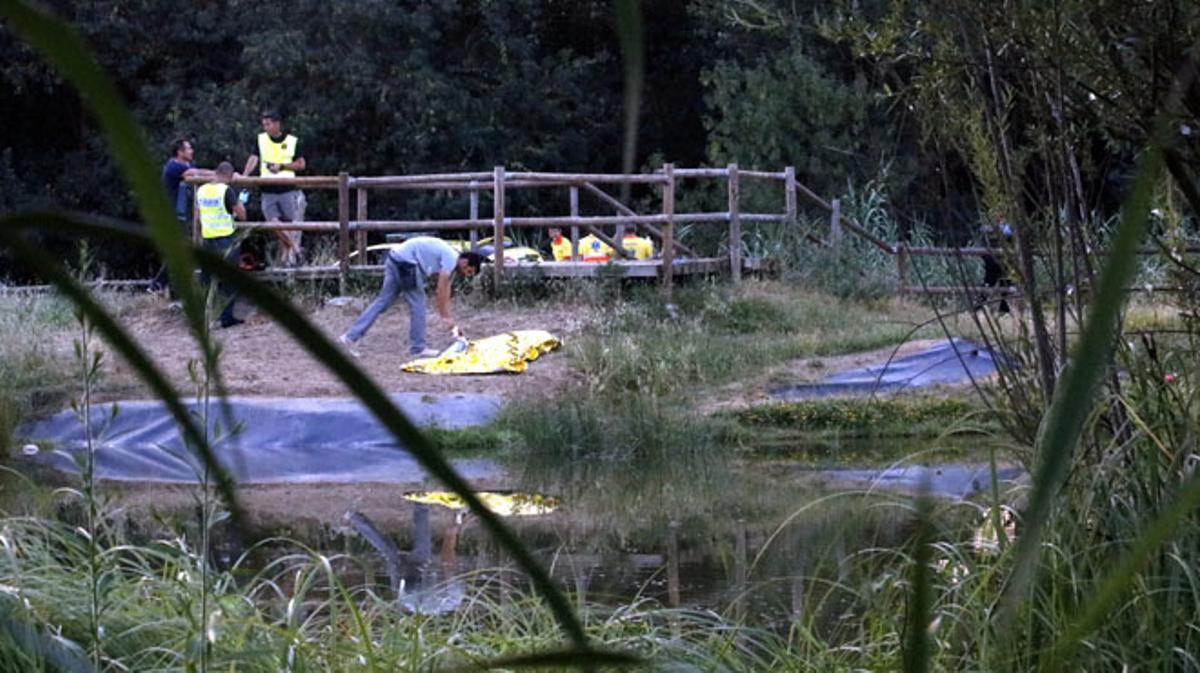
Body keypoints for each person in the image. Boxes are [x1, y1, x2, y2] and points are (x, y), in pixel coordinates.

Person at [339, 236, 486, 357]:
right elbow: (440, 290)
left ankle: (348, 338)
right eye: (468, 271)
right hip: (406, 263)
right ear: (465, 261)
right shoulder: (451, 257)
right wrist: (444, 317)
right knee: (418, 305)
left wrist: (450, 319)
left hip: (394, 257)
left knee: (382, 301)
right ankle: (418, 348)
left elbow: (446, 291)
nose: (466, 274)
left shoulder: (451, 262)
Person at [148, 138, 214, 293]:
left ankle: (161, 286)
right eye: (189, 148)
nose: (192, 151)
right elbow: (195, 173)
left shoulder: (183, 165)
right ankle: (160, 286)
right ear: (180, 152)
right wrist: (219, 174)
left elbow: (196, 172)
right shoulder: (174, 166)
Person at [243, 109, 305, 267]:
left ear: (277, 124)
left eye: (268, 124)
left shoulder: (292, 141)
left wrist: (282, 166)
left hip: (287, 188)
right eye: (264, 124)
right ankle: (297, 249)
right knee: (273, 223)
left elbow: (301, 164)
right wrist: (245, 175)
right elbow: (253, 158)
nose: (266, 127)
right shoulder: (260, 140)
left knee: (285, 225)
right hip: (268, 189)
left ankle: (284, 261)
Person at [197, 162, 248, 328]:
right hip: (225, 239)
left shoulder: (202, 190)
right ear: (230, 176)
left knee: (206, 279)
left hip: (207, 239)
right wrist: (241, 203)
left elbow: (198, 217)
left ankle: (202, 316)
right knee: (230, 280)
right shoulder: (226, 190)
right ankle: (227, 318)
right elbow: (242, 215)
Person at [978, 216, 1013, 315]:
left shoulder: (1008, 227)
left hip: (1005, 260)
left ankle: (1003, 307)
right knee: (989, 282)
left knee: (1006, 282)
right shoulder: (989, 226)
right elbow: (984, 231)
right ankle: (979, 304)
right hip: (992, 260)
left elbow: (1010, 234)